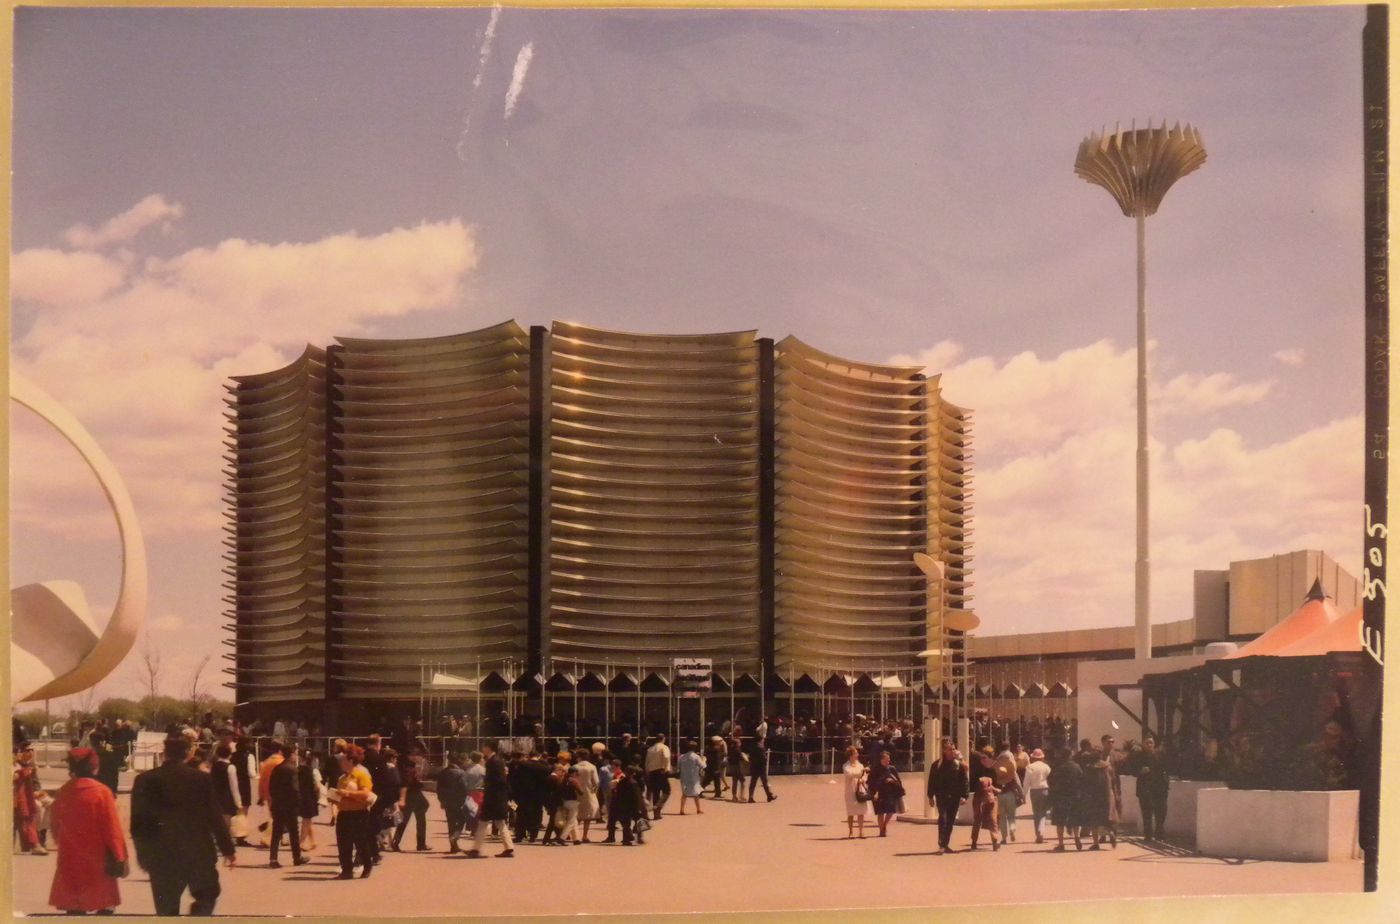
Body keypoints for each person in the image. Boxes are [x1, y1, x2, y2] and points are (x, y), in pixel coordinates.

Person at [130, 736, 237, 915]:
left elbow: (138, 823)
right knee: (207, 895)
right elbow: (214, 817)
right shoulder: (201, 779)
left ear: (164, 753)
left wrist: (143, 855)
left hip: (161, 854)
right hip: (198, 852)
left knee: (166, 907)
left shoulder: (144, 779)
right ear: (188, 753)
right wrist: (228, 849)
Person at [48, 748, 127, 915]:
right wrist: (120, 855)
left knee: (74, 908)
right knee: (103, 905)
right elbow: (112, 828)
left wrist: (61, 841)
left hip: (70, 856)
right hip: (98, 858)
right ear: (95, 767)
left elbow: (55, 825)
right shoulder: (102, 792)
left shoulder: (63, 791)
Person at [330, 746, 377, 879]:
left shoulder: (361, 775)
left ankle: (367, 866)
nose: (341, 761)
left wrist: (349, 793)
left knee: (361, 842)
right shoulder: (342, 778)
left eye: (343, 758)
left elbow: (366, 793)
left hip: (358, 813)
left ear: (351, 760)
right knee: (343, 843)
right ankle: (346, 870)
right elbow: (338, 796)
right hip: (344, 813)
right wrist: (333, 796)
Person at [467, 740, 514, 858]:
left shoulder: (493, 762)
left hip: (493, 798)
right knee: (500, 822)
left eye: (484, 746)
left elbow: (496, 781)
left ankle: (476, 849)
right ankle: (509, 848)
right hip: (498, 797)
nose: (483, 749)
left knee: (483, 822)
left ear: (489, 748)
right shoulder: (497, 760)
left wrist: (488, 793)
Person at [267, 746, 308, 869]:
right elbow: (295, 788)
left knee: (276, 831)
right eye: (295, 754)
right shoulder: (292, 769)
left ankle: (273, 858)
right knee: (293, 832)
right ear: (291, 755)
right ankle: (297, 857)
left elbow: (271, 787)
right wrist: (299, 802)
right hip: (290, 805)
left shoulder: (277, 768)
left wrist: (274, 799)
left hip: (278, 804)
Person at [926, 739, 969, 854]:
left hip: (954, 796)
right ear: (944, 751)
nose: (952, 751)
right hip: (941, 796)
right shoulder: (937, 765)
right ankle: (941, 844)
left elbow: (964, 780)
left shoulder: (958, 764)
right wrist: (930, 796)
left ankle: (946, 844)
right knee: (943, 819)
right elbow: (931, 781)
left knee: (950, 821)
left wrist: (964, 795)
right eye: (950, 749)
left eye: (954, 749)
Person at [1048, 746, 1086, 851]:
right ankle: (1077, 838)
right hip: (1075, 796)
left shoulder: (1058, 766)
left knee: (1060, 821)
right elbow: (1082, 780)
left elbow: (1052, 781)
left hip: (1061, 796)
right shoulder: (1077, 767)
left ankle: (1061, 844)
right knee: (1075, 819)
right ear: (1071, 755)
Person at [1133, 736, 1170, 841]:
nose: (1149, 745)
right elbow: (1132, 769)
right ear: (1143, 744)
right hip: (1145, 788)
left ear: (1154, 744)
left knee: (1161, 811)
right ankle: (1148, 834)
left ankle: (1159, 833)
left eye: (1151, 743)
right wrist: (1140, 771)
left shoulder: (1160, 755)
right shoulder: (1139, 757)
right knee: (1146, 812)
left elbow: (1166, 768)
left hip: (1159, 788)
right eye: (1147, 742)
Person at [392, 751, 430, 852]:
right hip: (413, 794)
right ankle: (421, 844)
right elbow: (408, 783)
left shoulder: (403, 768)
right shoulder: (410, 769)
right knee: (420, 820)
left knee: (405, 820)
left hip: (411, 795)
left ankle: (396, 841)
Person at [14, 743, 47, 855]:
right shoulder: (16, 767)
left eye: (31, 750)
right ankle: (34, 843)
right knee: (32, 812)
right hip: (18, 798)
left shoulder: (29, 766)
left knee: (48, 805)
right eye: (27, 750)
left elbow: (35, 783)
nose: (30, 752)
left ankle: (40, 837)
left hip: (27, 796)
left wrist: (37, 791)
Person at [208, 744, 244, 843]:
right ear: (230, 754)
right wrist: (239, 802)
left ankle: (217, 840)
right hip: (226, 796)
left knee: (218, 819)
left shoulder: (213, 766)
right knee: (226, 821)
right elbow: (234, 786)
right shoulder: (230, 767)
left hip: (215, 795)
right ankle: (224, 842)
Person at [436, 754, 470, 853]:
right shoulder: (461, 773)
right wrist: (464, 800)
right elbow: (464, 788)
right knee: (462, 819)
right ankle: (455, 837)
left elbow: (439, 788)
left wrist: (441, 800)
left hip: (447, 801)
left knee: (450, 822)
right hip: (458, 801)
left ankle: (453, 846)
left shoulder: (443, 772)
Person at [866, 750, 904, 838]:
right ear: (881, 760)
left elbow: (898, 781)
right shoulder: (875, 769)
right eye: (887, 759)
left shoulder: (891, 769)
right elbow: (871, 782)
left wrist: (892, 781)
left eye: (889, 759)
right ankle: (881, 831)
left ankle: (884, 825)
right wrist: (874, 793)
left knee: (891, 811)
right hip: (878, 793)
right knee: (880, 812)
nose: (888, 761)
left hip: (889, 793)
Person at [993, 744, 1024, 844]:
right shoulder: (1012, 772)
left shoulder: (996, 771)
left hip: (1000, 795)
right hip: (1010, 794)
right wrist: (1022, 796)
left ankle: (1004, 838)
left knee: (1002, 817)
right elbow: (1018, 785)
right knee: (1011, 816)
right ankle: (1012, 828)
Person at [609, 765, 645, 846]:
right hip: (633, 806)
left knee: (626, 824)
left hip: (624, 805)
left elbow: (618, 794)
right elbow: (637, 796)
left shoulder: (621, 782)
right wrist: (640, 807)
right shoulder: (634, 783)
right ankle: (639, 837)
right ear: (634, 773)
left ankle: (626, 839)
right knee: (638, 822)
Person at [1023, 747, 1053, 844]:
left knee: (1036, 813)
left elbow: (1026, 782)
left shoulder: (1029, 767)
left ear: (1033, 757)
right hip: (1044, 790)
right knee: (1042, 813)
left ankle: (1037, 834)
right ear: (1042, 757)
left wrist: (1023, 794)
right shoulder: (1046, 767)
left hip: (1034, 791)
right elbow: (1050, 779)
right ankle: (1041, 832)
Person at [572, 749, 601, 842]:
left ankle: (573, 834)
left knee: (575, 815)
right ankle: (585, 836)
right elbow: (596, 782)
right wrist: (594, 790)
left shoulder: (574, 767)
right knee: (587, 816)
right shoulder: (592, 767)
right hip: (588, 793)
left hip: (576, 792)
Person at [841, 746, 870, 839]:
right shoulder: (846, 765)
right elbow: (849, 774)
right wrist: (862, 772)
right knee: (851, 812)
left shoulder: (860, 764)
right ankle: (851, 832)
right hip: (850, 790)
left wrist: (863, 779)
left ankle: (861, 832)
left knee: (861, 812)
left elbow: (865, 776)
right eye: (856, 753)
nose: (857, 755)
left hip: (860, 789)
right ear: (851, 755)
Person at [297, 749, 322, 851]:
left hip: (301, 796)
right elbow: (317, 786)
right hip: (310, 797)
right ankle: (301, 842)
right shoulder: (313, 771)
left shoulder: (298, 769)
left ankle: (312, 841)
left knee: (307, 820)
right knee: (306, 820)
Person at [969, 774, 1001, 851]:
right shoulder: (990, 787)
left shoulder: (977, 793)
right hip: (990, 803)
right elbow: (998, 791)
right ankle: (995, 842)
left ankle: (974, 842)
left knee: (977, 821)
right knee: (993, 822)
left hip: (978, 804)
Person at [644, 734, 672, 819]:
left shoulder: (650, 749)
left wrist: (647, 771)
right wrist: (666, 768)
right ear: (663, 739)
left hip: (652, 772)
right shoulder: (664, 747)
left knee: (656, 792)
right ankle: (658, 807)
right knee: (667, 791)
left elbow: (647, 762)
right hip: (661, 771)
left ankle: (656, 814)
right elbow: (666, 757)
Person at [677, 741, 707, 815]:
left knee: (684, 794)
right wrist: (704, 760)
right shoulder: (696, 756)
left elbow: (678, 767)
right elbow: (703, 766)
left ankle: (682, 809)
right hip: (693, 777)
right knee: (696, 793)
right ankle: (698, 809)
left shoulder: (681, 756)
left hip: (684, 777)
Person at [746, 734, 777, 803]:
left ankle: (750, 797)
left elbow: (750, 757)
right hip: (761, 767)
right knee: (765, 782)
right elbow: (763, 758)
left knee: (753, 783)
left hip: (754, 766)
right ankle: (769, 795)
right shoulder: (761, 748)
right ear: (760, 740)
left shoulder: (752, 747)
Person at [726, 731, 746, 801]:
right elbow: (742, 758)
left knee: (734, 782)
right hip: (738, 766)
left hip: (732, 766)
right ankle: (742, 795)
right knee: (742, 781)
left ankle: (734, 796)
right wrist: (745, 758)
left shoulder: (730, 750)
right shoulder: (738, 750)